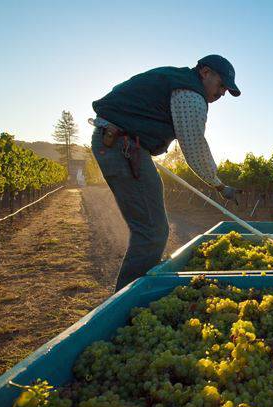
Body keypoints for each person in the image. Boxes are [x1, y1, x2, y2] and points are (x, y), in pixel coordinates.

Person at [90, 55, 242, 291]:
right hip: (122, 145)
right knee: (152, 231)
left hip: (122, 142)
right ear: (204, 72)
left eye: (226, 90)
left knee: (153, 228)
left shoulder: (176, 79)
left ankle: (134, 292)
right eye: (221, 85)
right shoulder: (190, 93)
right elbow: (193, 145)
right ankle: (127, 304)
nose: (222, 93)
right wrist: (219, 185)